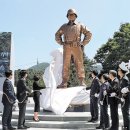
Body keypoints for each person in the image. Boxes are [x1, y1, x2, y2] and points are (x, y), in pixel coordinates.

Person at [55, 8, 92, 88]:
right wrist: (61, 43)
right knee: (65, 64)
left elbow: (89, 33)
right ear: (67, 16)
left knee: (79, 63)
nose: (70, 16)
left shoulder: (80, 25)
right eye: (69, 15)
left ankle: (82, 81)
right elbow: (57, 34)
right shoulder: (64, 26)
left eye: (72, 14)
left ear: (75, 16)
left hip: (76, 46)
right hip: (67, 47)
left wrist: (83, 43)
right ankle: (64, 82)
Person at [118, 62, 130, 130]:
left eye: (119, 70)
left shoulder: (125, 79)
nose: (118, 71)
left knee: (125, 114)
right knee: (124, 114)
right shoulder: (122, 79)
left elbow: (126, 90)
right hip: (123, 99)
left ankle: (127, 128)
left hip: (125, 99)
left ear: (122, 71)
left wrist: (123, 98)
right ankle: (125, 127)